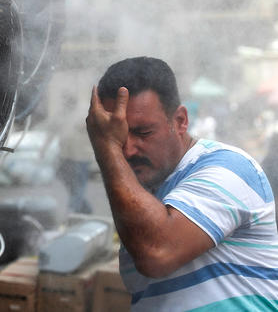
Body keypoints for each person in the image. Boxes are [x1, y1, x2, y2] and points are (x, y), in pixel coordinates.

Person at [86, 56, 278, 310]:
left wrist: (107, 145)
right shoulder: (140, 200)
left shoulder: (229, 167)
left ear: (180, 121)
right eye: (119, 136)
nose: (128, 149)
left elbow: (157, 252)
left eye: (143, 133)